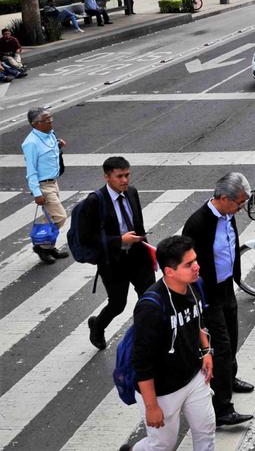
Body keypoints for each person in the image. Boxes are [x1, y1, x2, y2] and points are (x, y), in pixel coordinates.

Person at [126, 235, 215, 451]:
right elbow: (142, 362)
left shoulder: (194, 284)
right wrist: (151, 406)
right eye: (189, 264)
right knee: (162, 446)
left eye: (195, 260)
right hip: (163, 390)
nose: (197, 267)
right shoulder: (151, 307)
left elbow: (199, 322)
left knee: (206, 431)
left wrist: (206, 351)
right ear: (169, 271)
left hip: (194, 377)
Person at [181, 173, 254, 428]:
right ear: (223, 198)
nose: (241, 208)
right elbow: (187, 264)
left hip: (225, 288)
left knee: (232, 339)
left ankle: (229, 379)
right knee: (220, 348)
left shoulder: (227, 215)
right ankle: (222, 408)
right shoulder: (198, 223)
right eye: (239, 203)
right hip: (208, 294)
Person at [82, 156, 155, 351]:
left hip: (138, 257)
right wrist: (119, 241)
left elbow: (138, 226)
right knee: (118, 304)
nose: (125, 180)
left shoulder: (132, 193)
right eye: (119, 176)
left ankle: (146, 338)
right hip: (113, 262)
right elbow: (87, 238)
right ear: (107, 177)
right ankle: (97, 325)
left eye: (127, 175)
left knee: (150, 299)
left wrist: (150, 253)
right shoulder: (95, 201)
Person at [22, 107, 70, 263]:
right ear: (35, 124)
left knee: (51, 217)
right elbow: (31, 171)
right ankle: (41, 246)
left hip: (54, 182)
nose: (50, 121)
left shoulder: (50, 134)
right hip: (44, 186)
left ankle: (49, 246)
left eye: (51, 118)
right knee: (60, 217)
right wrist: (37, 193)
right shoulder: (31, 143)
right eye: (46, 119)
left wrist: (58, 146)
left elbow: (50, 150)